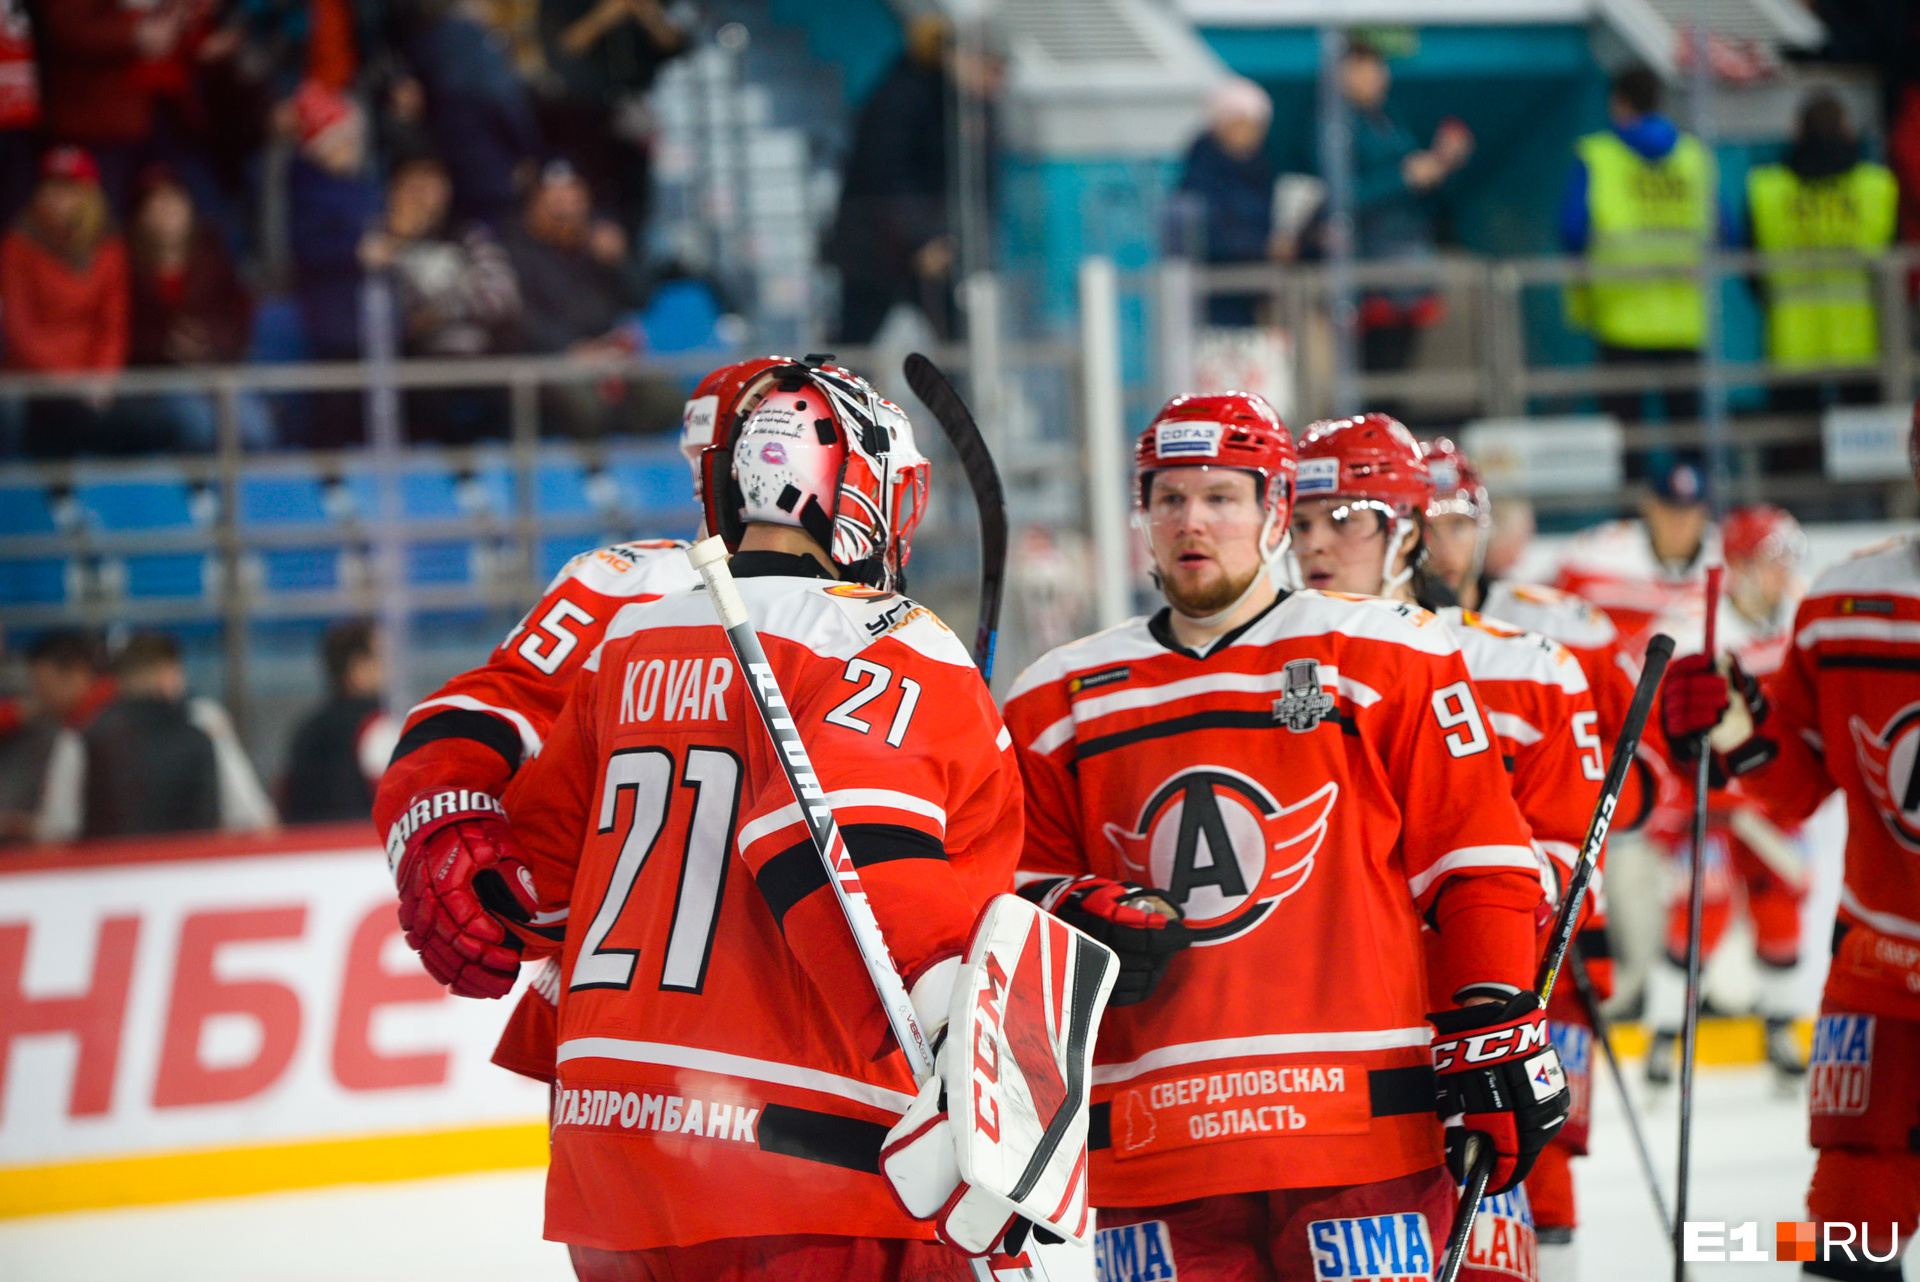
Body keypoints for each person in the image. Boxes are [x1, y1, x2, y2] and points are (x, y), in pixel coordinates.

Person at [389, 361, 1037, 1278]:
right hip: (806, 1154)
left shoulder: (632, 636)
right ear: (866, 489)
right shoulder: (888, 638)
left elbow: (535, 890)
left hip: (611, 1156)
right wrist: (979, 1091)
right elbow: (847, 863)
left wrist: (453, 848)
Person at [1003, 392, 1567, 1279]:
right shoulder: (1055, 696)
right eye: (1169, 499)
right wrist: (1072, 910)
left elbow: (1480, 863)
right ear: (1142, 518)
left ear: (1272, 512)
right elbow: (1015, 900)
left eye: (1222, 497)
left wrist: (1498, 1025)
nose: (1194, 521)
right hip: (1152, 1151)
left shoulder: (1388, 652)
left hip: (1360, 1137)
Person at [374, 356, 788, 1115]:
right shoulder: (638, 585)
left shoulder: (884, 619)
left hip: (805, 1036)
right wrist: (441, 817)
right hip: (639, 1043)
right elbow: (486, 710)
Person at [1293, 415, 1603, 1280]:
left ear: (1408, 530)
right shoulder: (1261, 675)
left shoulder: (1530, 666)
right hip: (1328, 1055)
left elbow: (1571, 864)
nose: (1319, 546)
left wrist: (1463, 904)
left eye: (1346, 518)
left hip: (1471, 1027)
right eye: (1303, 521)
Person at [1660, 407, 1920, 1279]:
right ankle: (1676, 1026)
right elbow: (1799, 784)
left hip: (1878, 961)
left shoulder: (1844, 600)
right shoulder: (1843, 605)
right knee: (1850, 1232)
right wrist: (1732, 734)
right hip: (1880, 979)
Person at [1641, 504, 1812, 1090]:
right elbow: (1658, 724)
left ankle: (1781, 1028)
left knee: (1782, 907)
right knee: (1699, 914)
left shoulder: (1799, 616)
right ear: (1737, 567)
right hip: (1706, 806)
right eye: (1771, 560)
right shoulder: (1695, 627)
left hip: (1769, 802)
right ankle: (1665, 1037)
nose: (1782, 573)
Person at [826, 15, 997, 344]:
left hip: (929, 244)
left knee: (958, 344)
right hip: (878, 250)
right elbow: (884, 175)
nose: (994, 82)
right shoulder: (902, 95)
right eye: (989, 68)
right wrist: (923, 239)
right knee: (855, 346)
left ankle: (959, 397)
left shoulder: (966, 107)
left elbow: (976, 186)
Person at [1559, 67, 1714, 424]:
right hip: (1684, 320)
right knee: (1689, 431)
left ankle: (1635, 481)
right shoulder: (1693, 156)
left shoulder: (1598, 156)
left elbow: (1571, 229)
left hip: (1620, 317)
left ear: (1619, 103)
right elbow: (1725, 229)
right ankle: (1688, 480)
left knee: (1625, 434)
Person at [1747, 92, 1897, 408]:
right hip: (1862, 342)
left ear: (1797, 132)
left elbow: (1750, 266)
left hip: (1791, 342)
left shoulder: (1767, 189)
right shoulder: (1876, 186)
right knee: (1865, 446)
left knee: (1796, 448)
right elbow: (1894, 266)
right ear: (1847, 131)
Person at [360, 152, 520, 442]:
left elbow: (503, 297)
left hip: (479, 354)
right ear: (394, 191)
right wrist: (399, 241)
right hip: (415, 360)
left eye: (433, 184)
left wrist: (440, 312)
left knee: (517, 393)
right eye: (414, 186)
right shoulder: (379, 238)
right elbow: (397, 315)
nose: (425, 196)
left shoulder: (468, 235)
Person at [1339, 40, 1472, 382]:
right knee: (1375, 374)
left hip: (1409, 264)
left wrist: (1442, 162)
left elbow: (1422, 189)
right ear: (1343, 73)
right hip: (1368, 272)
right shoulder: (1333, 124)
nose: (1377, 77)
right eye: (1366, 68)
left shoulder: (1388, 118)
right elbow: (1340, 196)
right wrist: (1403, 177)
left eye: (1379, 68)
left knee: (1399, 373)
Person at [0, 146, 129, 458]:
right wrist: (68, 383)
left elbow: (113, 324)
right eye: (51, 187)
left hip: (91, 384)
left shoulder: (108, 247)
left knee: (156, 417)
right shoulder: (17, 246)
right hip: (34, 381)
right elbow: (19, 332)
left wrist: (101, 379)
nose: (58, 198)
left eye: (69, 189)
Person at [123, 168, 258, 452]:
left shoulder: (214, 256)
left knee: (256, 429)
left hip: (216, 369)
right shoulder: (126, 266)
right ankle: (199, 495)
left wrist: (205, 343)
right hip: (157, 380)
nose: (166, 213)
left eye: (173, 202)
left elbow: (237, 318)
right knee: (198, 428)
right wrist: (168, 345)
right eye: (156, 205)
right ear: (141, 216)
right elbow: (122, 329)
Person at [534, 0, 689, 239]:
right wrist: (609, 13)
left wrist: (649, 16)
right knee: (586, 194)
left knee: (634, 202)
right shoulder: (561, 5)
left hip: (632, 110)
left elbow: (676, 47)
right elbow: (565, 46)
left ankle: (627, 250)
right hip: (580, 113)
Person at [1552, 456, 1717, 657]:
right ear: (1649, 507)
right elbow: (1554, 609)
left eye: (1689, 512)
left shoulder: (1726, 556)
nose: (1679, 523)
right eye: (1669, 510)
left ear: (1704, 513)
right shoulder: (1600, 553)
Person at [1174, 76, 1276, 327]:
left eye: (1257, 125)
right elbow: (1206, 235)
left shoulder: (1260, 169)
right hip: (1216, 296)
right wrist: (1263, 247)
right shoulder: (1201, 175)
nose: (1252, 133)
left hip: (1251, 293)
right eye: (1245, 123)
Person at [281, 620, 399, 825]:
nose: (390, 667)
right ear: (358, 668)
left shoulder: (306, 728)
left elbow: (286, 801)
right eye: (382, 658)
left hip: (307, 849)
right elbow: (397, 808)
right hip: (361, 847)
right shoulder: (376, 726)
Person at [0, 631, 113, 844]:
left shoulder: (87, 732)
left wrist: (21, 827)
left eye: (43, 685)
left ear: (77, 672)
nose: (39, 696)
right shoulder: (86, 723)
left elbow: (63, 828)